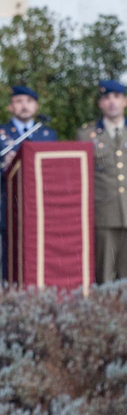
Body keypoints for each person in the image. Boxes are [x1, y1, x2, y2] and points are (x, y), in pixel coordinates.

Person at [76, 79, 127, 282]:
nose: (112, 102)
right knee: (105, 275)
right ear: (100, 103)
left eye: (117, 97)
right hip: (104, 214)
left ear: (125, 101)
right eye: (106, 98)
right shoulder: (85, 136)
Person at [0, 85, 58, 170]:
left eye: (29, 101)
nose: (24, 106)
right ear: (10, 107)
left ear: (36, 106)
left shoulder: (49, 135)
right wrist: (3, 165)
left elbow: (55, 168)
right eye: (19, 101)